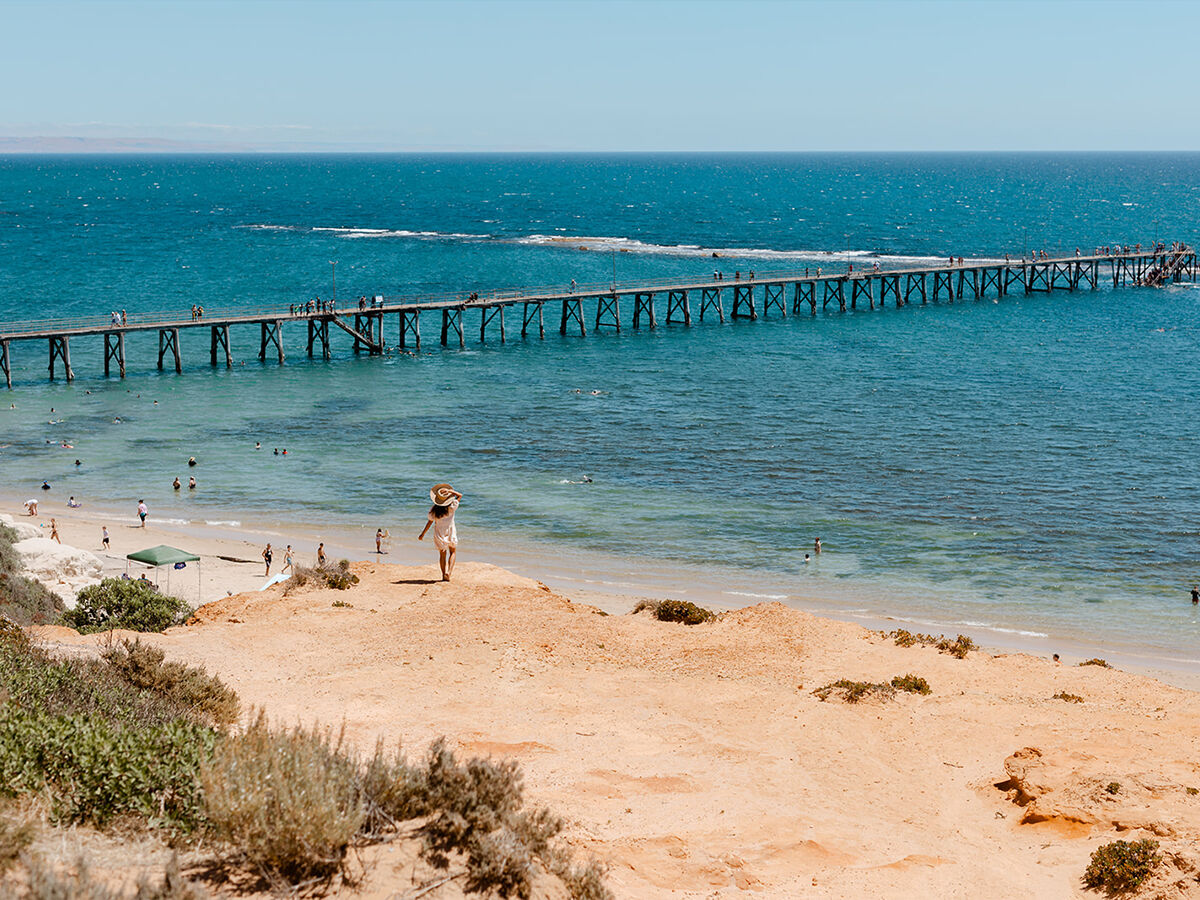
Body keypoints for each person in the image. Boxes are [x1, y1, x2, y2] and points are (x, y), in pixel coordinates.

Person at [418, 483, 463, 582]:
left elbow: (429, 523)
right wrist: (451, 491)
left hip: (439, 533)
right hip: (450, 531)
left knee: (442, 554)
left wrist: (422, 534)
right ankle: (449, 572)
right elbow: (460, 495)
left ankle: (443, 575)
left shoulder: (434, 511)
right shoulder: (452, 507)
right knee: (453, 552)